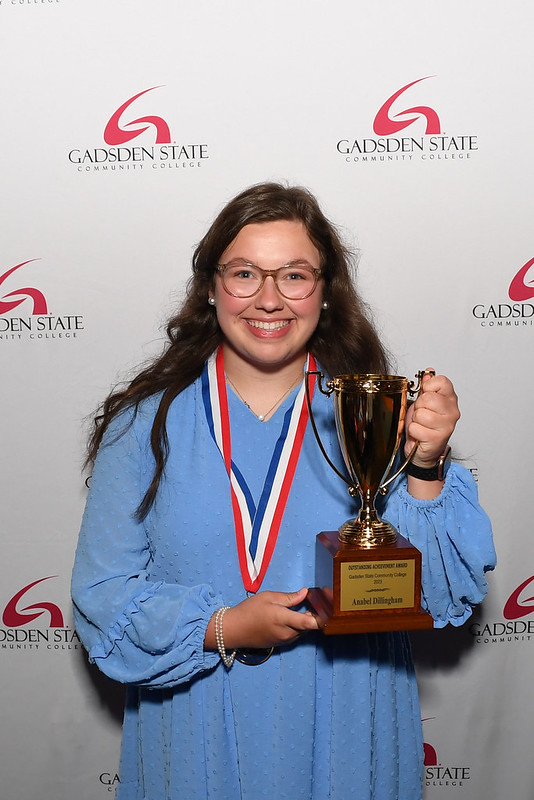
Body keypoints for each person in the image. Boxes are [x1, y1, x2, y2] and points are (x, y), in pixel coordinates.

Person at [71, 182, 495, 800]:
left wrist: (426, 467)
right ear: (211, 286)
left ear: (325, 293)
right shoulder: (144, 426)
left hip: (348, 722)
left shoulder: (377, 415)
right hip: (197, 722)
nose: (269, 300)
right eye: (245, 273)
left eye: (294, 275)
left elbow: (441, 594)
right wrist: (219, 627)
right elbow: (102, 596)